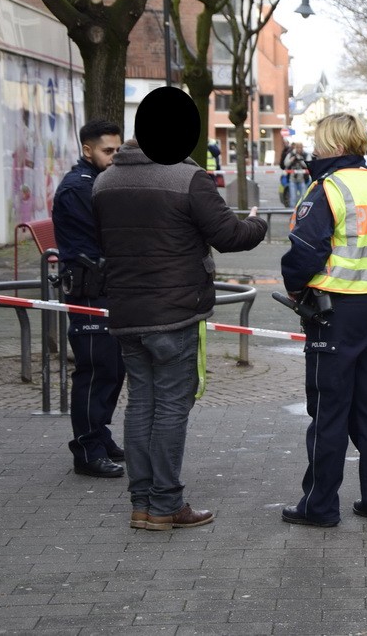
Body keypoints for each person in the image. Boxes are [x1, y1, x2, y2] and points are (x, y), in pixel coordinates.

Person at [92, 139, 268, 531]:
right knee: (172, 406)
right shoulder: (188, 177)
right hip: (175, 312)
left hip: (127, 311)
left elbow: (101, 240)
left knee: (140, 404)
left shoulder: (104, 182)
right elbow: (231, 236)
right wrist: (257, 222)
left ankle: (142, 504)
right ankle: (167, 503)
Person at [280, 112, 367, 527]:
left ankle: (319, 507)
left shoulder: (329, 188)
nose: (313, 151)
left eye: (319, 144)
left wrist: (298, 289)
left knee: (329, 410)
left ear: (336, 147)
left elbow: (305, 251)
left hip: (333, 311)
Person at [52, 120, 126, 479]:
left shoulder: (97, 183)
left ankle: (100, 434)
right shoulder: (79, 188)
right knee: (96, 369)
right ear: (87, 150)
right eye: (107, 151)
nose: (114, 158)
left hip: (107, 288)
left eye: (117, 150)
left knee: (114, 367)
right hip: (89, 290)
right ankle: (86, 449)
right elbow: (108, 233)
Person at [284, 142, 310, 207]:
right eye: (297, 148)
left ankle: (302, 213)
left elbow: (309, 165)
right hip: (292, 179)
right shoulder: (291, 154)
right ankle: (292, 213)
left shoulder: (306, 155)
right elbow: (286, 164)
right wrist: (291, 160)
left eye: (300, 148)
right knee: (293, 198)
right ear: (295, 148)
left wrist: (300, 160)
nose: (299, 149)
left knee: (303, 197)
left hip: (303, 179)